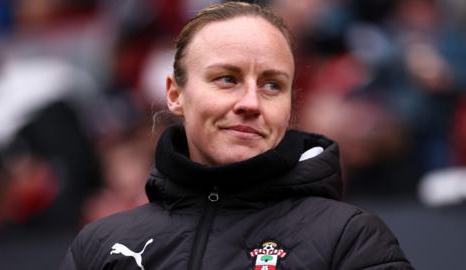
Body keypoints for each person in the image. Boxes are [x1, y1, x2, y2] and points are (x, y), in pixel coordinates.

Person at [61, 2, 413, 269]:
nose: (251, 103)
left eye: (272, 85)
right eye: (227, 79)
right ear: (175, 94)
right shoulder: (100, 245)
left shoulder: (350, 240)